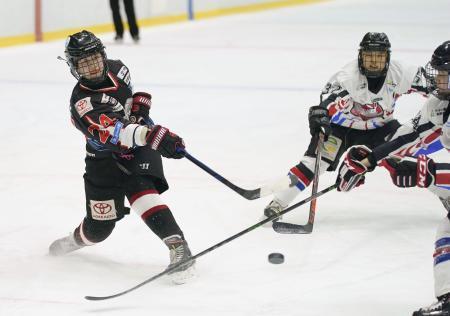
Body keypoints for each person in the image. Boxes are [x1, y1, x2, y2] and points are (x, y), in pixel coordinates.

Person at [49, 30, 194, 284]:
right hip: (103, 160)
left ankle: (178, 246)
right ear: (74, 68)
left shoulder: (119, 68)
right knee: (99, 231)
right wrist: (152, 135)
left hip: (137, 148)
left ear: (103, 55)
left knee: (142, 189)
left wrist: (139, 110)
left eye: (94, 58)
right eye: (84, 63)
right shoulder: (84, 103)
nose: (92, 67)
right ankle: (75, 240)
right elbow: (117, 133)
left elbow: (128, 105)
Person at [336, 41, 450, 315]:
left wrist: (427, 173)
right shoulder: (439, 105)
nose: (440, 80)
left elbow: (427, 170)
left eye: (447, 73)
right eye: (439, 73)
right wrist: (368, 158)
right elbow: (407, 139)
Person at [263, 32, 428, 221]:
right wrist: (320, 117)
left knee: (408, 160)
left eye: (379, 57)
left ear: (387, 58)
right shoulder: (348, 77)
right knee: (315, 163)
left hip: (382, 128)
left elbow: (435, 85)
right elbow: (327, 104)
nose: (374, 62)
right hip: (341, 129)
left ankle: (445, 193)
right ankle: (278, 203)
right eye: (369, 56)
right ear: (360, 57)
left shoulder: (401, 74)